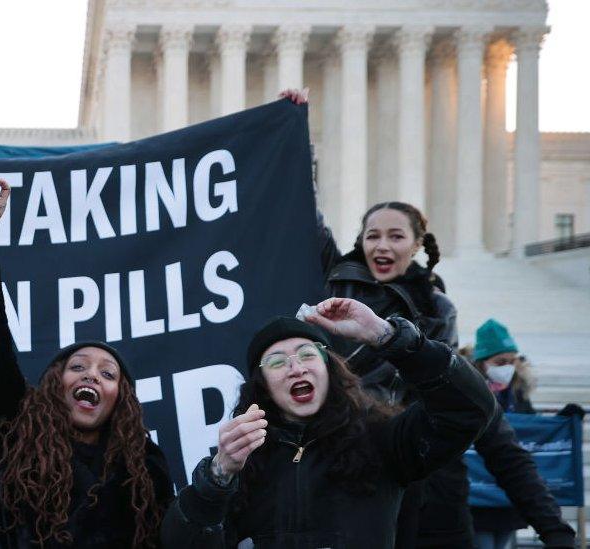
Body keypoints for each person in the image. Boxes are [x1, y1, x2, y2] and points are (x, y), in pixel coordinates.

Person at [302, 125, 575, 545]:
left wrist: (555, 531)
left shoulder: (437, 311)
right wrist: (294, 133)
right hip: (351, 462)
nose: (383, 245)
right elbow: (307, 214)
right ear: (360, 241)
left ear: (416, 244)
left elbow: (488, 430)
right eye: (373, 235)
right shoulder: (335, 286)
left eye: (396, 236)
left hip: (427, 477)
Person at [0, 164, 175, 547]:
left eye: (107, 373)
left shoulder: (145, 467)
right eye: (79, 367)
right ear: (56, 384)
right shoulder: (17, 432)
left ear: (122, 398)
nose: (91, 376)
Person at [159, 297, 496, 548]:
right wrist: (217, 477)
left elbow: (469, 409)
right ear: (261, 386)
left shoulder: (382, 439)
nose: (296, 368)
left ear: (329, 370)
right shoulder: (241, 462)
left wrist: (388, 336)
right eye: (277, 362)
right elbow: (179, 542)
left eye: (308, 355)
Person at [464, 320, 584, 549]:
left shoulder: (517, 393)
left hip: (508, 498)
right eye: (500, 362)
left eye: (511, 361)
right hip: (477, 499)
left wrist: (561, 421)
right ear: (482, 363)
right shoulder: (468, 390)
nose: (507, 367)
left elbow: (529, 433)